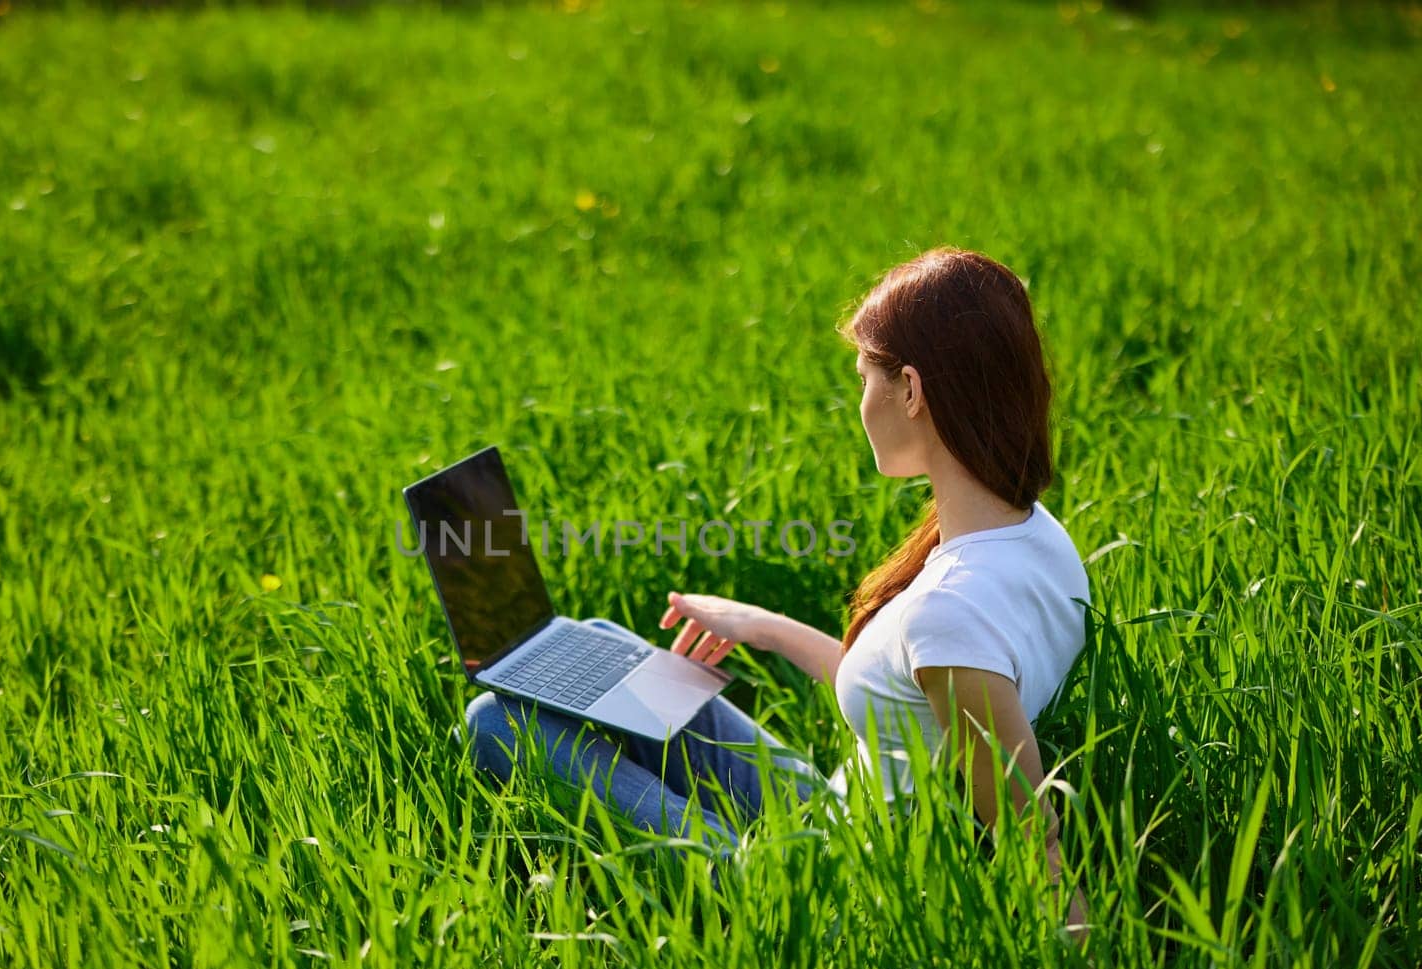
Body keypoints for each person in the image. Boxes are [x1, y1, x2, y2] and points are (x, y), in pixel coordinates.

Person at [462, 246, 1090, 927]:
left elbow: (1036, 840)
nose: (861, 404)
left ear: (911, 390)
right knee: (603, 645)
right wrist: (760, 623)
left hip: (822, 895)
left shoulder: (952, 613)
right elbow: (906, 689)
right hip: (839, 819)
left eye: (864, 380)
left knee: (495, 723)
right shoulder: (1032, 536)